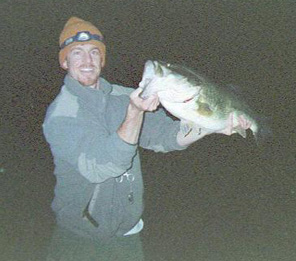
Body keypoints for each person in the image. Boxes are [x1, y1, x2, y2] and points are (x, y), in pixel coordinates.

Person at [43, 17, 251, 260]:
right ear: (65, 61)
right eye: (77, 53)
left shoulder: (122, 96)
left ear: (102, 59)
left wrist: (211, 127)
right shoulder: (62, 114)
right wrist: (134, 113)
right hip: (81, 240)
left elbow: (166, 137)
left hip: (128, 234)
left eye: (94, 52)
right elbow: (101, 166)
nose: (87, 61)